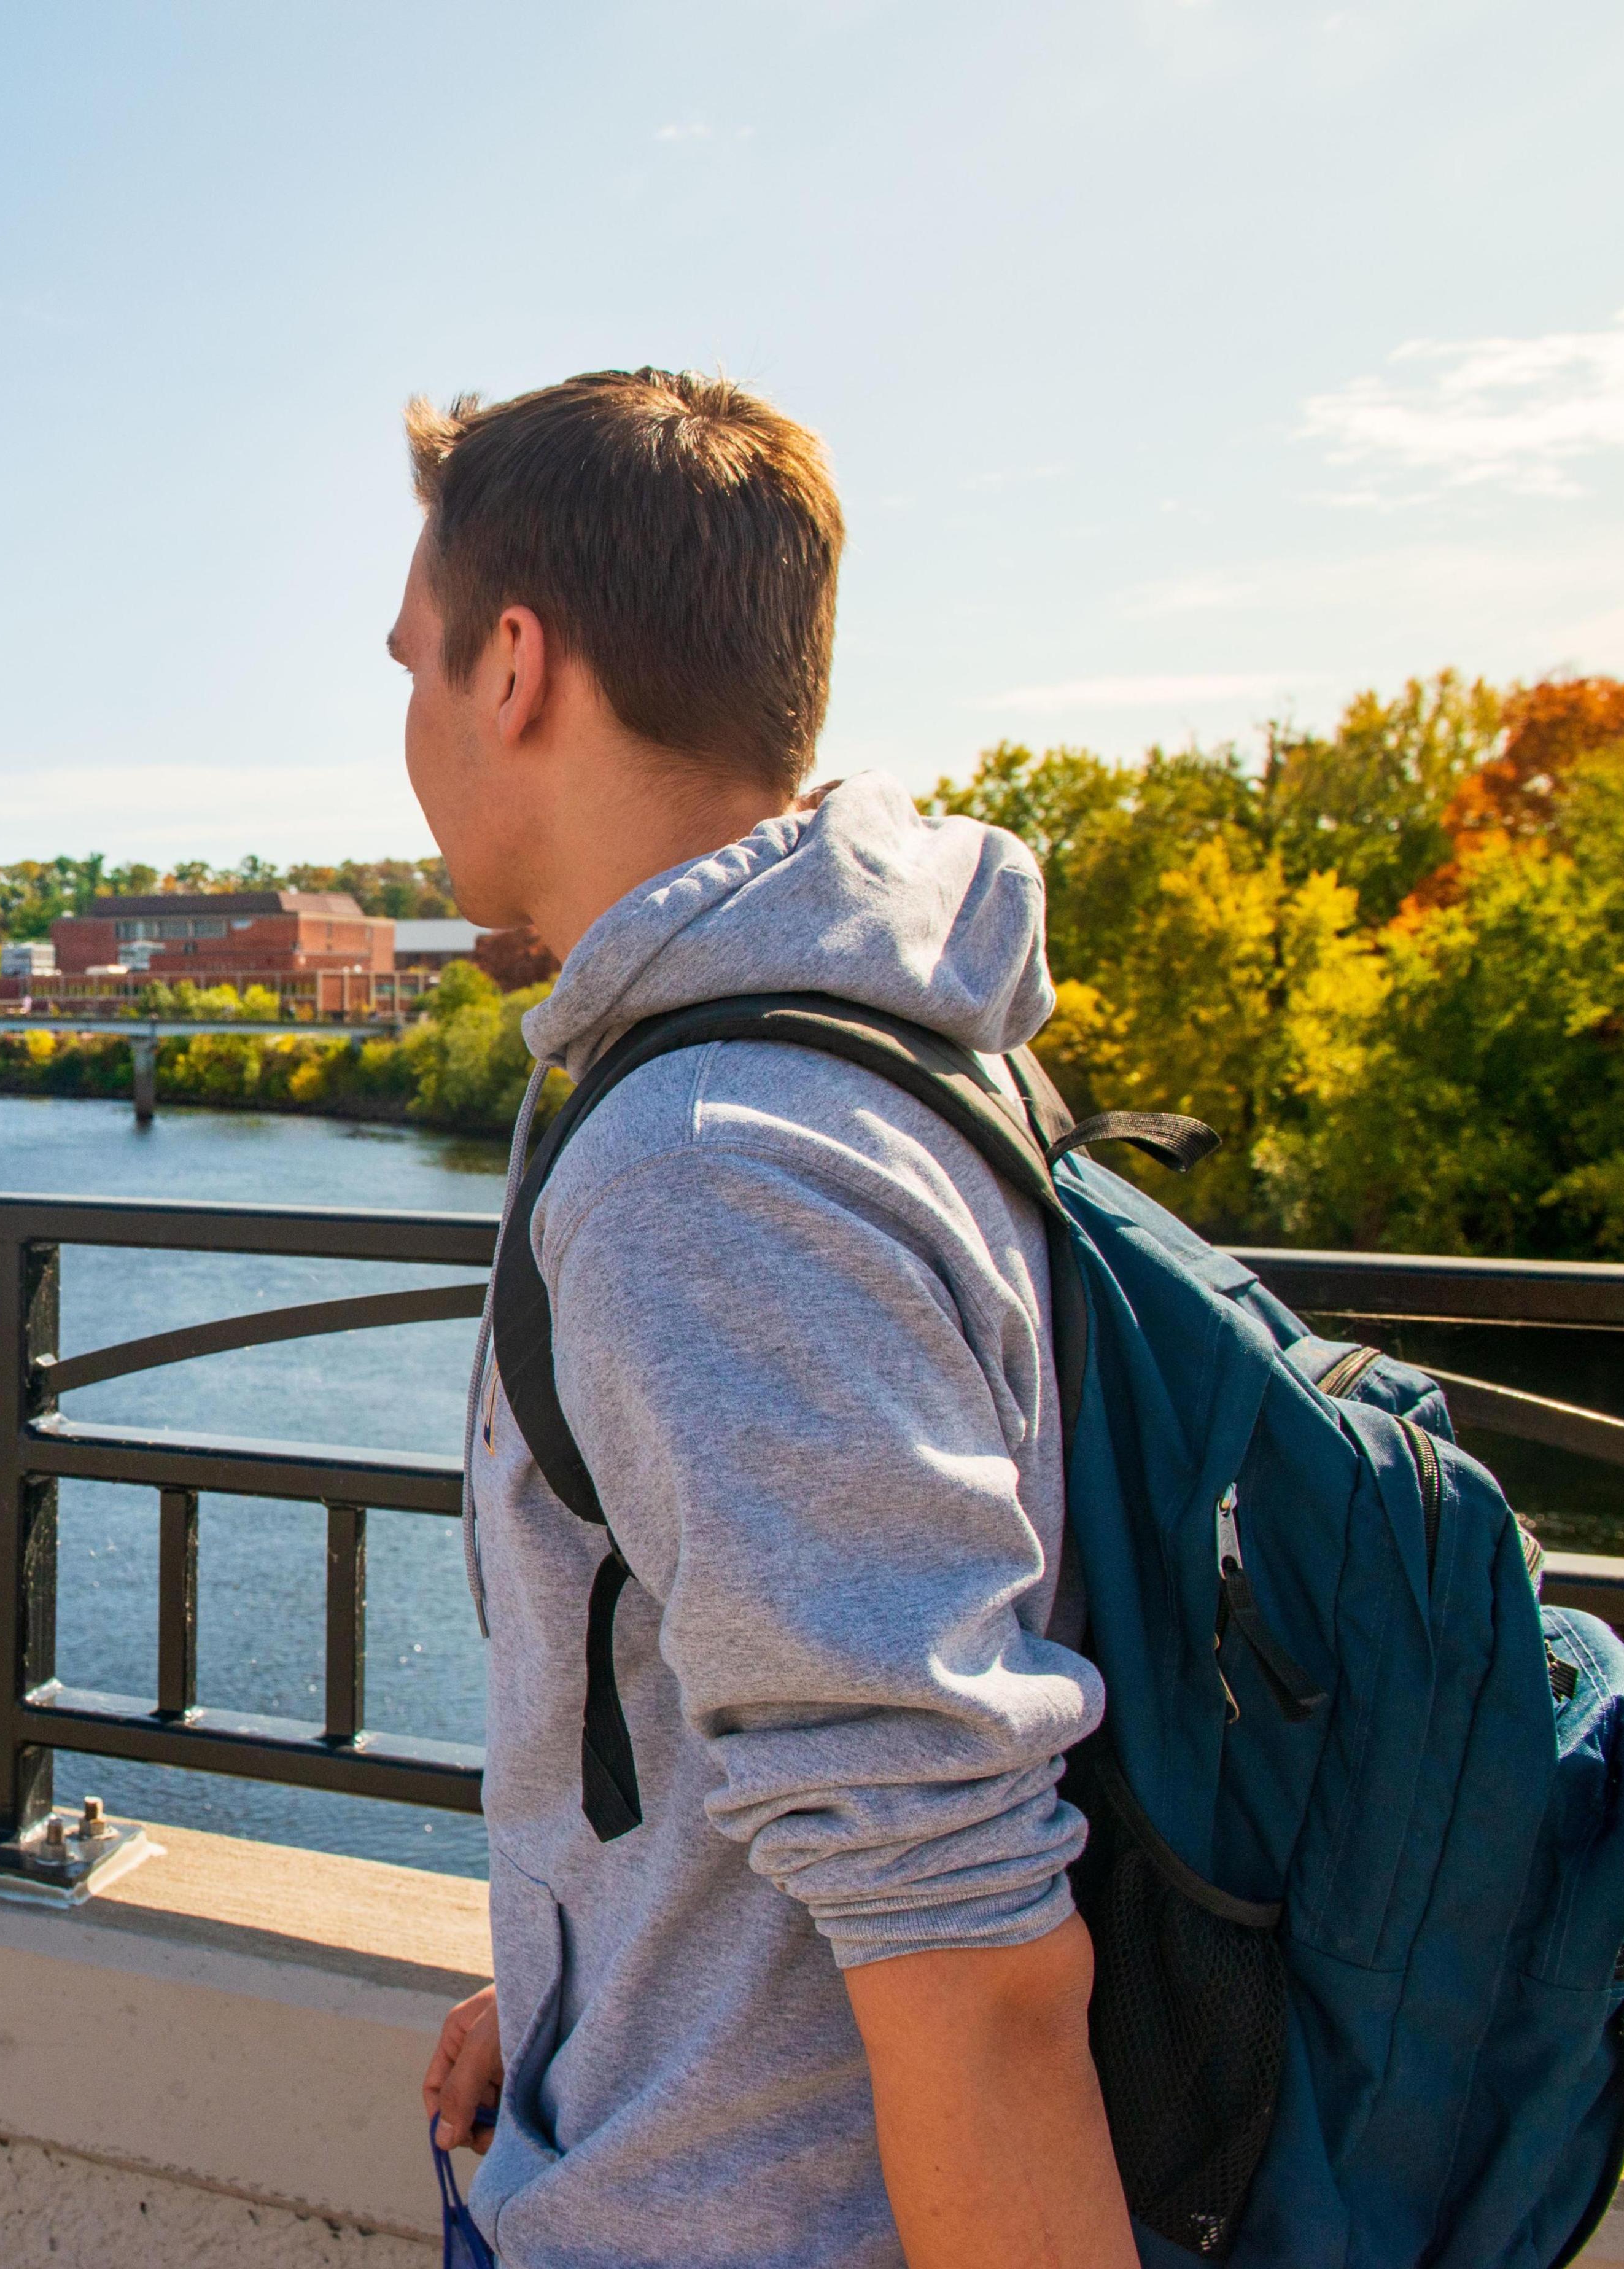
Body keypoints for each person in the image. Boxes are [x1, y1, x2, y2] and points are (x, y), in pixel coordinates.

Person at [397, 371, 1138, 2269]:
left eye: (413, 664)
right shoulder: (873, 1050)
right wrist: (591, 2001)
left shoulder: (710, 1164)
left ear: (515, 670)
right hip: (665, 2148)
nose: (403, 732)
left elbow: (971, 1963)